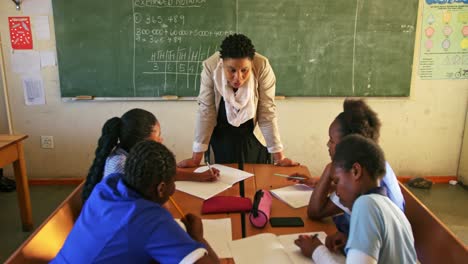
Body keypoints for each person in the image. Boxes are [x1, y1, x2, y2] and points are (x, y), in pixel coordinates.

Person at [52, 141, 219, 264]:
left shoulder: (108, 185)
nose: (174, 188)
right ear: (161, 188)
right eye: (172, 182)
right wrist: (198, 237)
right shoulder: (149, 219)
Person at [289, 99, 405, 252]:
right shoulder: (372, 169)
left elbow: (316, 211)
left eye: (332, 141)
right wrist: (322, 182)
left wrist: (329, 169)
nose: (328, 146)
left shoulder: (363, 193)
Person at [178, 34, 297, 167]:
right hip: (221, 135)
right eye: (232, 70)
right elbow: (206, 112)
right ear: (222, 64)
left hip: (253, 137)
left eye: (244, 70)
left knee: (255, 179)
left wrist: (279, 158)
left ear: (251, 64)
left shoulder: (262, 66)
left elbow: (266, 113)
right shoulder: (210, 67)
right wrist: (195, 159)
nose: (238, 78)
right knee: (224, 180)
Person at [294, 135, 417, 264]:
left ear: (355, 171)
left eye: (337, 181)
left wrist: (316, 251)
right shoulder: (393, 209)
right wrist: (351, 240)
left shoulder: (365, 204)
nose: (337, 191)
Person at [82, 108, 219, 201]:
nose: (161, 140)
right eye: (157, 136)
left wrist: (199, 177)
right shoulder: (120, 166)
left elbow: (161, 174)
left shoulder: (134, 157)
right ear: (141, 144)